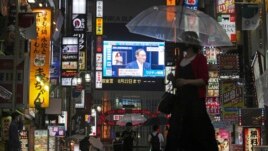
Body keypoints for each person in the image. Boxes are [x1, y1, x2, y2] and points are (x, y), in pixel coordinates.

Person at [165, 31, 218, 151]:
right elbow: (178, 83)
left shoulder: (200, 59)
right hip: (180, 103)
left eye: (184, 40)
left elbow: (204, 80)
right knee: (177, 132)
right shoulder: (180, 61)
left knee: (199, 132)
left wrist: (186, 82)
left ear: (190, 42)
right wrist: (173, 79)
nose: (182, 42)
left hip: (195, 103)